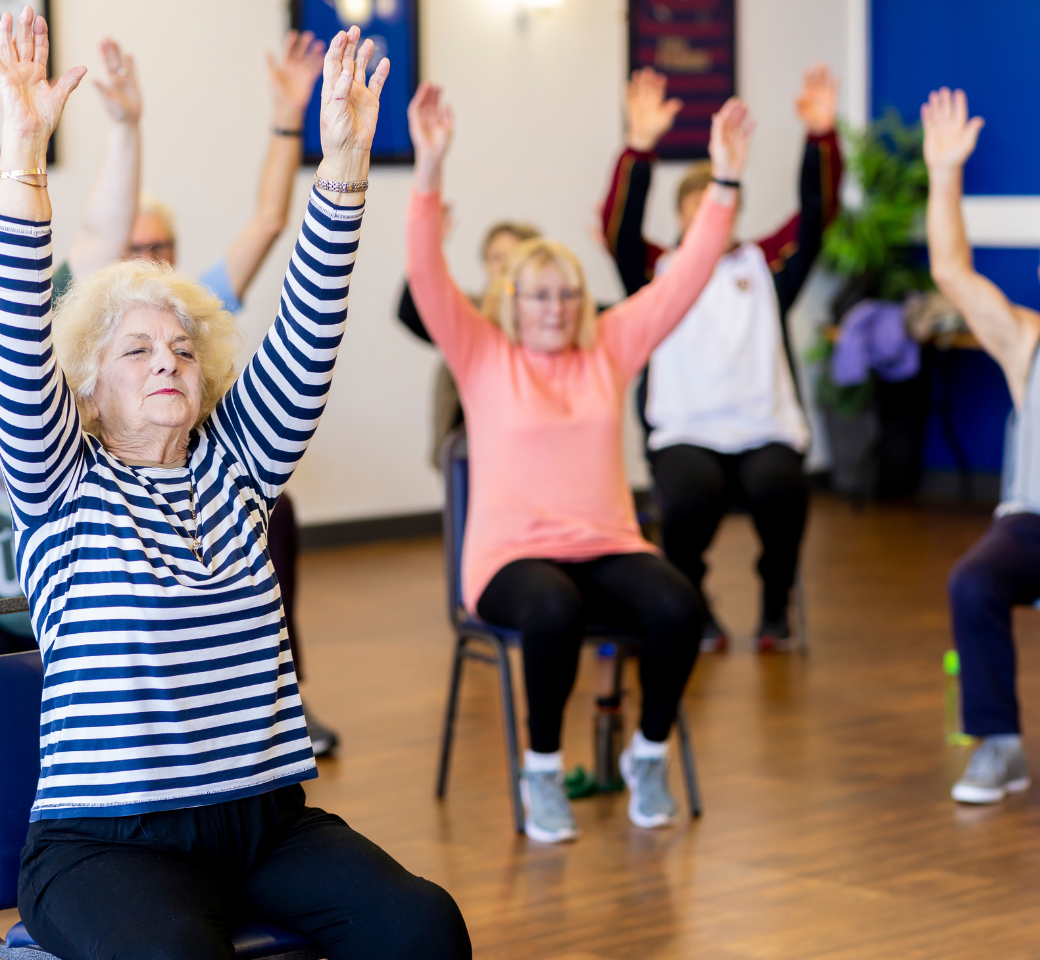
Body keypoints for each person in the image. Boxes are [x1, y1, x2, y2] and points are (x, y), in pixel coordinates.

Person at [0, 10, 470, 958]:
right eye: (136, 350)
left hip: (263, 824)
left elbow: (308, 327)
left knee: (424, 926)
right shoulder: (57, 488)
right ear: (86, 386)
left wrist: (339, 164)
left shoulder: (237, 467)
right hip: (103, 842)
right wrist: (25, 166)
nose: (167, 361)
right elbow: (19, 338)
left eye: (181, 348)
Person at [406, 81, 751, 842]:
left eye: (568, 294)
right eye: (539, 296)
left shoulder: (611, 346)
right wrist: (428, 167)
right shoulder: (482, 354)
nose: (556, 308)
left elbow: (686, 275)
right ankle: (542, 773)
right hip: (509, 560)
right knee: (553, 610)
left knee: (677, 604)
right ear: (511, 303)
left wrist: (723, 182)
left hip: (605, 544)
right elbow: (426, 275)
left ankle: (648, 754)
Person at [47, 30, 341, 755]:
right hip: (77, 567)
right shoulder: (70, 337)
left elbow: (273, 224)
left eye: (159, 250)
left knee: (275, 514)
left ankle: (274, 695)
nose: (164, 360)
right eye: (140, 348)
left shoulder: (191, 313)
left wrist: (297, 127)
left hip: (203, 506)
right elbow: (92, 235)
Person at [601, 66, 842, 652]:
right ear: (685, 217)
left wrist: (821, 138)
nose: (710, 218)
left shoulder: (766, 266)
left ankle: (774, 605)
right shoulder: (657, 272)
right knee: (687, 501)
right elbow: (620, 229)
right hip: (687, 430)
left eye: (720, 205)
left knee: (784, 492)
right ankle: (693, 602)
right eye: (697, 208)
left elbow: (817, 216)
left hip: (764, 428)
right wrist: (638, 146)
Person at [923, 87, 1036, 805]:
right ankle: (996, 743)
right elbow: (950, 272)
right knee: (972, 581)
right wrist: (944, 173)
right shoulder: (1027, 340)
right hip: (1032, 522)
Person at [397, 212, 540, 465]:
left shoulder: (551, 318)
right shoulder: (467, 311)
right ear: (485, 263)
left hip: (532, 443)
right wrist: (428, 246)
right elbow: (410, 313)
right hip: (467, 447)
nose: (504, 265)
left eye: (514, 256)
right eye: (496, 257)